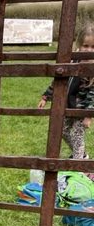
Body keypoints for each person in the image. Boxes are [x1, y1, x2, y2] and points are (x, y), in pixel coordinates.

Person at [38, 22, 94, 160]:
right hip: (68, 106)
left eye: (93, 47)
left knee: (77, 134)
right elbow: (58, 83)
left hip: (81, 110)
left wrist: (89, 115)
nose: (88, 50)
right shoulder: (73, 62)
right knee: (63, 131)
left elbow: (93, 95)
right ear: (79, 45)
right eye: (85, 46)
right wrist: (45, 97)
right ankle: (82, 156)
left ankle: (78, 162)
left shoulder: (92, 69)